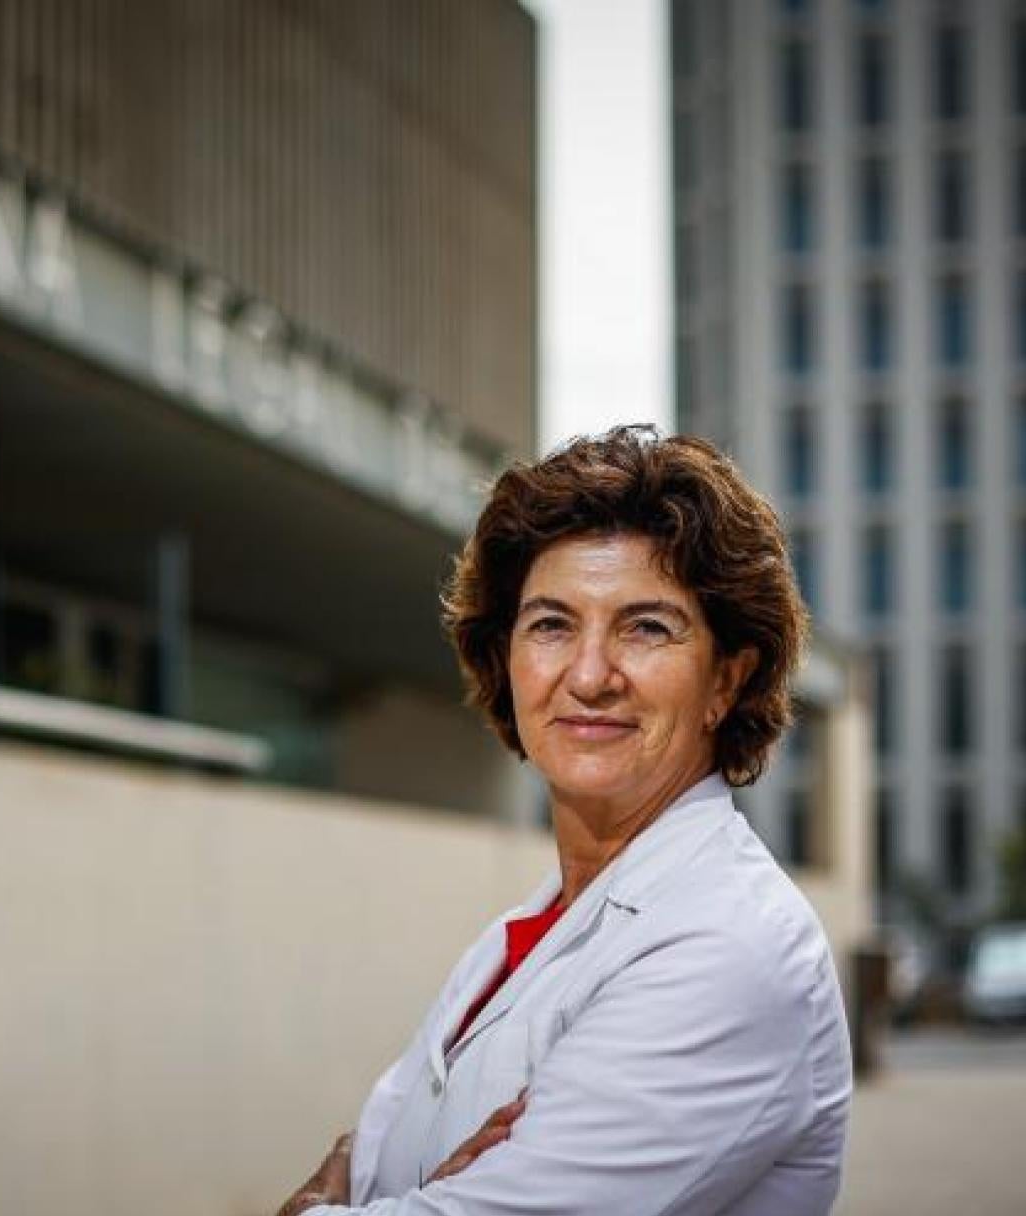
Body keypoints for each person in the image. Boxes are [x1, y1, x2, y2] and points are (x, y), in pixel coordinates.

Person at [275, 426, 852, 1216]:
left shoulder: (730, 944)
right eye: (551, 624)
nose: (588, 676)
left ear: (726, 678)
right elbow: (378, 1172)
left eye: (646, 627)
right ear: (504, 658)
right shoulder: (523, 934)